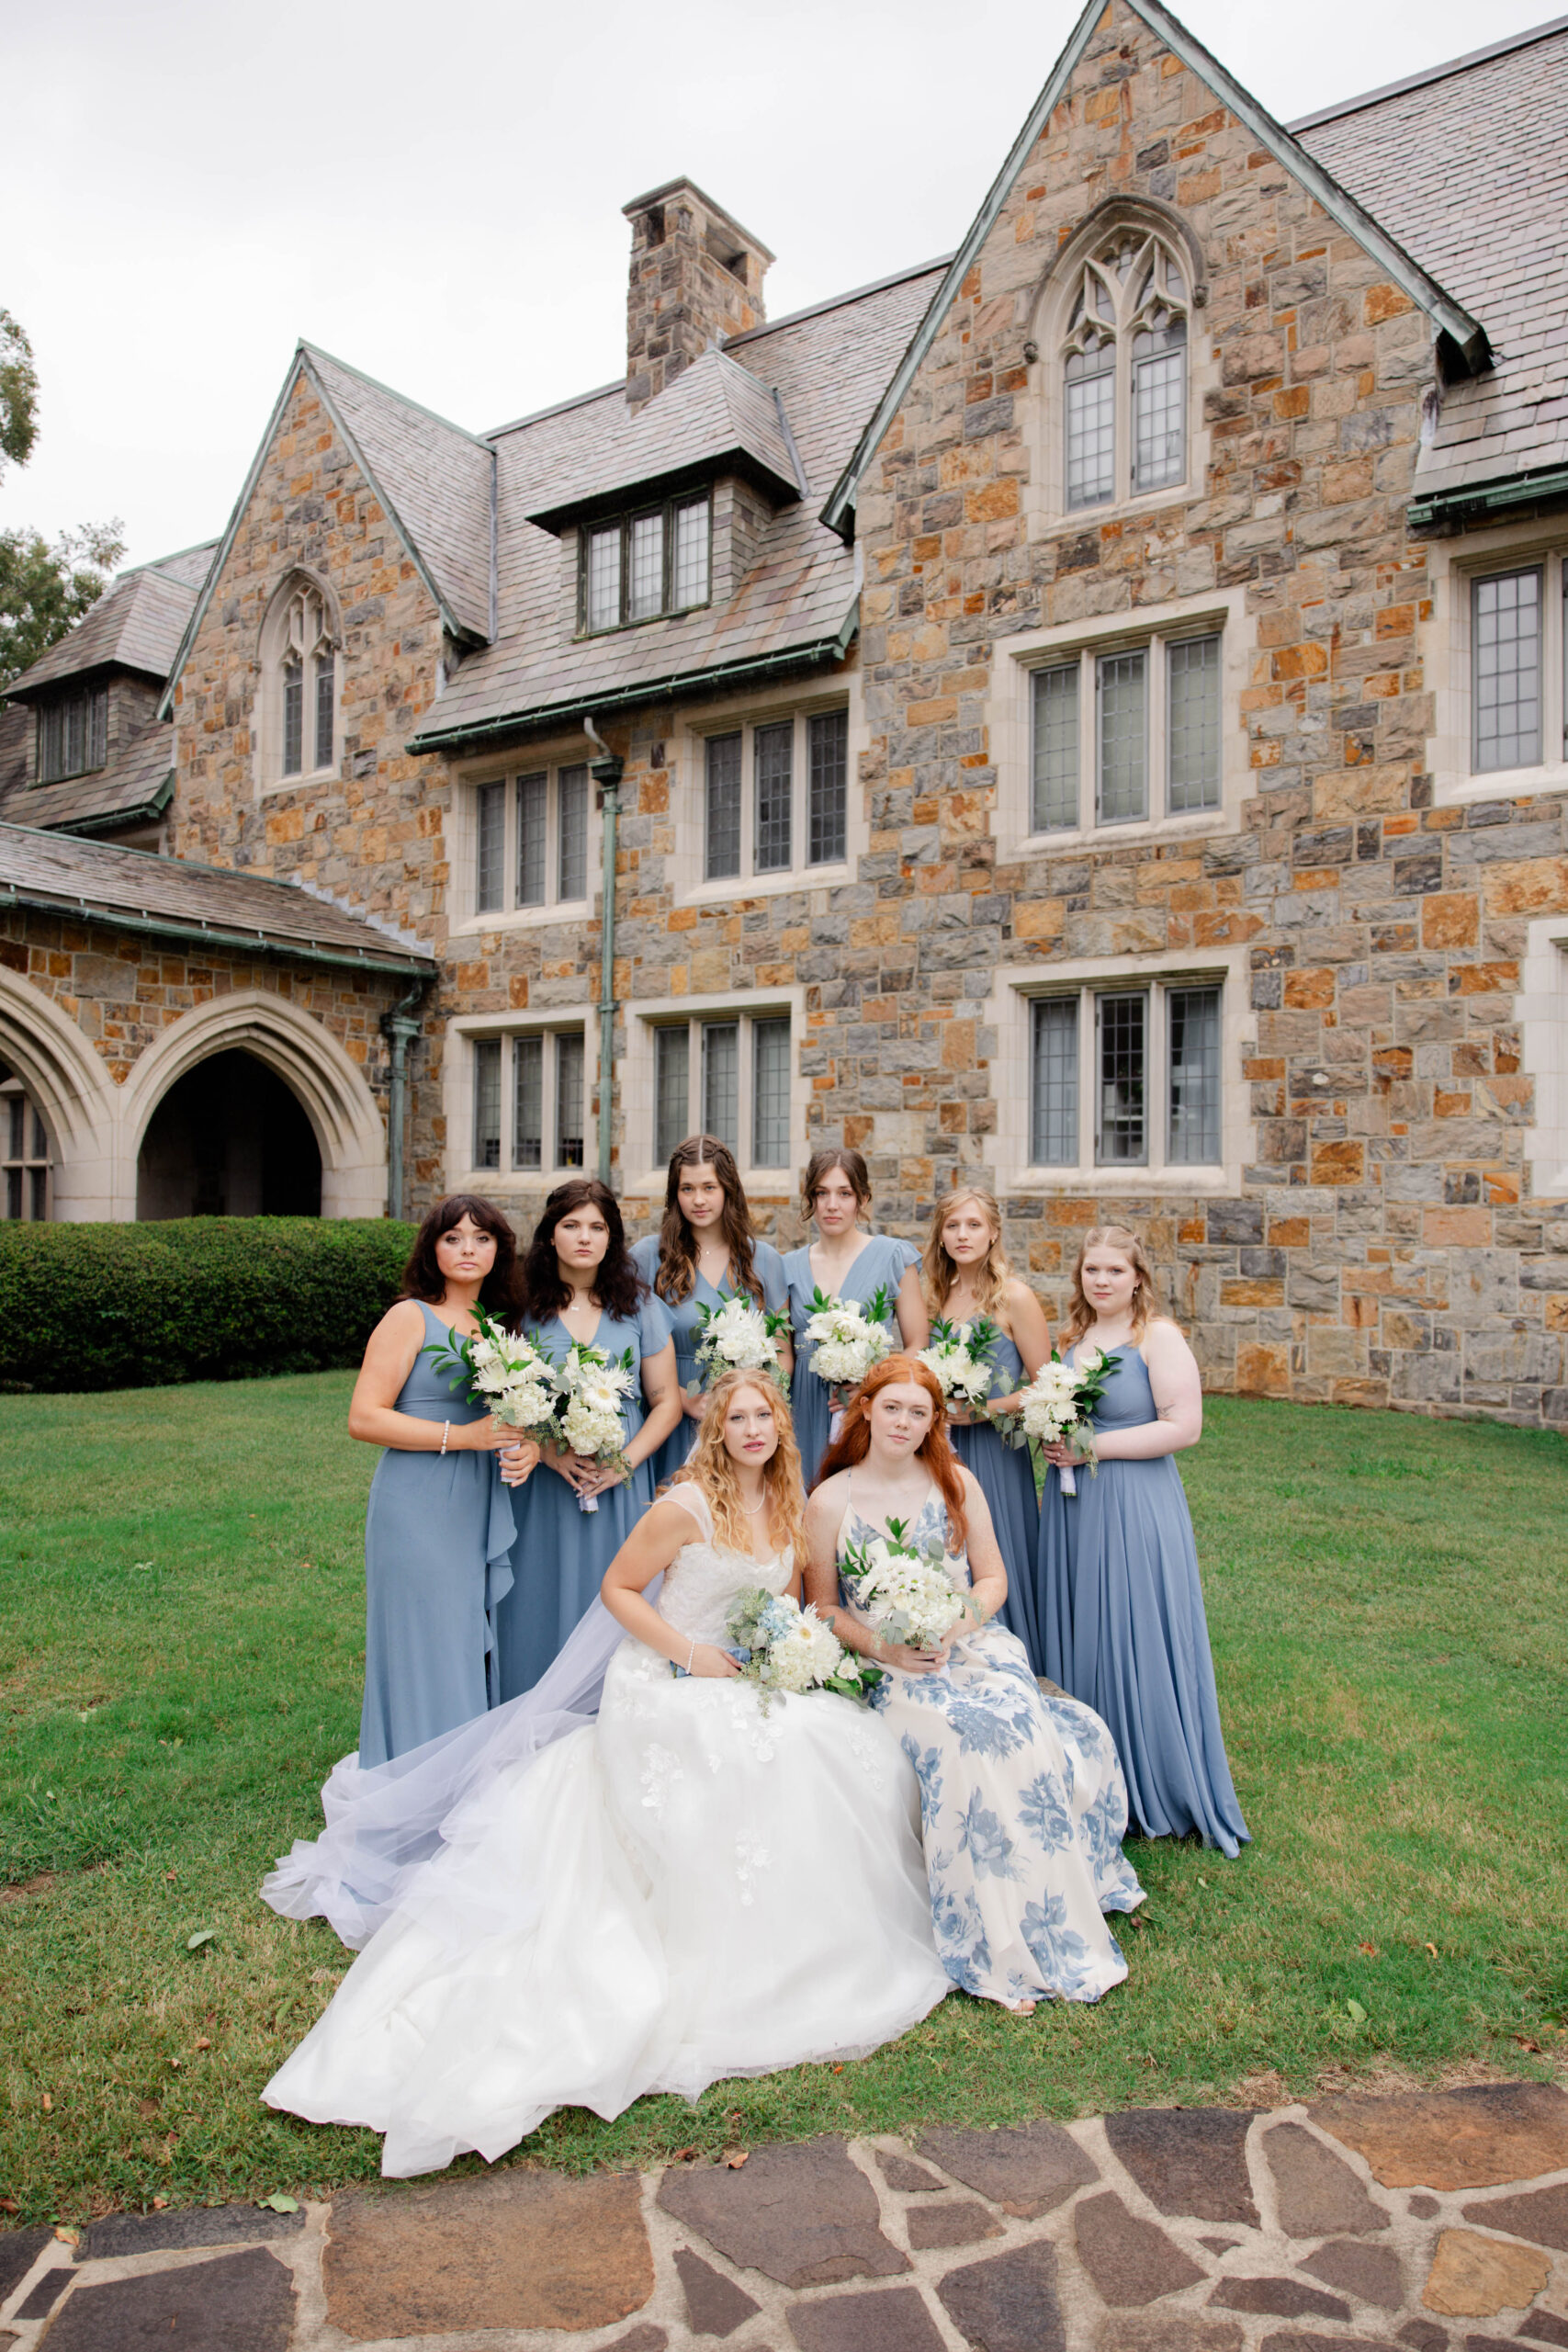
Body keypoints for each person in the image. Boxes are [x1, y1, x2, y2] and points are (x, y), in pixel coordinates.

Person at [262, 1372, 950, 2177]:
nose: (755, 1429)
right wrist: (689, 1656)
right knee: (736, 1756)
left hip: (743, 1671)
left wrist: (788, 1657)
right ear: (717, 1429)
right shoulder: (686, 1505)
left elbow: (790, 1604)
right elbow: (618, 1588)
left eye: (765, 1415)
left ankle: (822, 1944)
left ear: (781, 1429)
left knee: (843, 1744)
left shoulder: (790, 1505)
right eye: (739, 1417)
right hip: (663, 1678)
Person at [804, 1356, 1143, 2012]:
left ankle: (1048, 1916)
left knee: (1016, 1722)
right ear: (865, 1407)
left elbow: (991, 1579)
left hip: (973, 1646)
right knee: (961, 1741)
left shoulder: (955, 1481)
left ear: (934, 1422)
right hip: (889, 1664)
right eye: (892, 1407)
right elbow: (822, 1607)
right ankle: (987, 1934)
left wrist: (955, 1625)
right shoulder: (830, 1499)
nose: (903, 1422)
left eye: (918, 1412)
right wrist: (886, 1648)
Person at [1036, 1226, 1249, 1859]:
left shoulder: (1154, 1337)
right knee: (1087, 1629)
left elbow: (1184, 1427)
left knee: (1135, 1627)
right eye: (1090, 1270)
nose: (1100, 1280)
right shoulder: (1072, 1341)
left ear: (1137, 1278)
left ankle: (1154, 1777)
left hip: (1133, 1501)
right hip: (1074, 1508)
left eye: (1112, 1270)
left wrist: (1089, 1446)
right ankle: (1093, 1775)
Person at [345, 1195, 539, 1769]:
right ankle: (410, 1773)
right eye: (453, 1238)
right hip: (417, 1502)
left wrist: (525, 1447)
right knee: (422, 1637)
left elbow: (511, 1420)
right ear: (433, 1248)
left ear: (499, 1249)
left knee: (462, 1637)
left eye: (481, 1238)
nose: (467, 1250)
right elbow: (364, 1417)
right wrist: (464, 1437)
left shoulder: (497, 1328)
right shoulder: (410, 1316)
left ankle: (459, 1772)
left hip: (478, 1502)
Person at [494, 1177, 682, 1700]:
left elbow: (665, 1400)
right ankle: (530, 1707)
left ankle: (614, 1713)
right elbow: (505, 1394)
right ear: (550, 1235)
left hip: (620, 1479)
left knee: (618, 1596)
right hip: (546, 1484)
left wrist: (625, 1462)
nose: (584, 1237)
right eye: (571, 1225)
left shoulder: (637, 1305)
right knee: (542, 1594)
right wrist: (551, 1454)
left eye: (597, 1227)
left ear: (612, 1237)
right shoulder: (523, 1307)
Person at [919, 1183, 1052, 1669]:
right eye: (952, 1225)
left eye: (974, 1224)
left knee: (996, 1553)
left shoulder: (1014, 1298)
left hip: (993, 1452)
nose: (962, 1234)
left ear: (994, 1232)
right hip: (939, 1449)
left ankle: (1015, 1663)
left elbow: (1045, 1386)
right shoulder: (934, 1297)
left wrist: (986, 1408)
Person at [631, 1134, 792, 1487]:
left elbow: (782, 1352)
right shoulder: (647, 1258)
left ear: (728, 1190)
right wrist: (679, 1399)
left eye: (709, 1187)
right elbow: (629, 1345)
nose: (698, 1200)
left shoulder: (764, 1260)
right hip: (672, 1422)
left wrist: (756, 1411)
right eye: (687, 1189)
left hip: (745, 1427)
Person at [783, 1147, 928, 1487]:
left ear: (862, 1198)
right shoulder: (786, 1267)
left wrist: (875, 1386)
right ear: (810, 1200)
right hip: (802, 1407)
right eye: (822, 1193)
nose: (832, 1205)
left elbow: (919, 1343)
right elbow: (782, 1353)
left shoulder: (893, 1256)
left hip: (866, 1407)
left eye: (844, 1193)